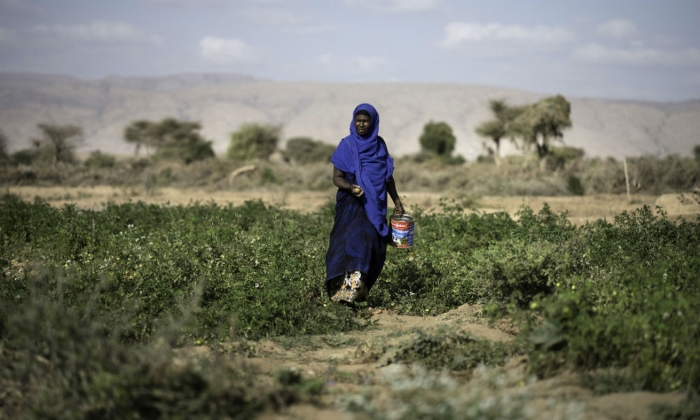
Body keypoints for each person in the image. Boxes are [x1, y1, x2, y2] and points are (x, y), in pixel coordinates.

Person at [325, 103, 404, 307]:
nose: (361, 124)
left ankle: (359, 292)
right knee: (354, 245)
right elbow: (337, 177)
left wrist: (396, 200)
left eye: (365, 120)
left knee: (376, 247)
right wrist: (350, 187)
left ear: (373, 122)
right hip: (353, 204)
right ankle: (345, 297)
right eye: (358, 120)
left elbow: (387, 177)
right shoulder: (347, 145)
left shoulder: (379, 145)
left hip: (375, 205)